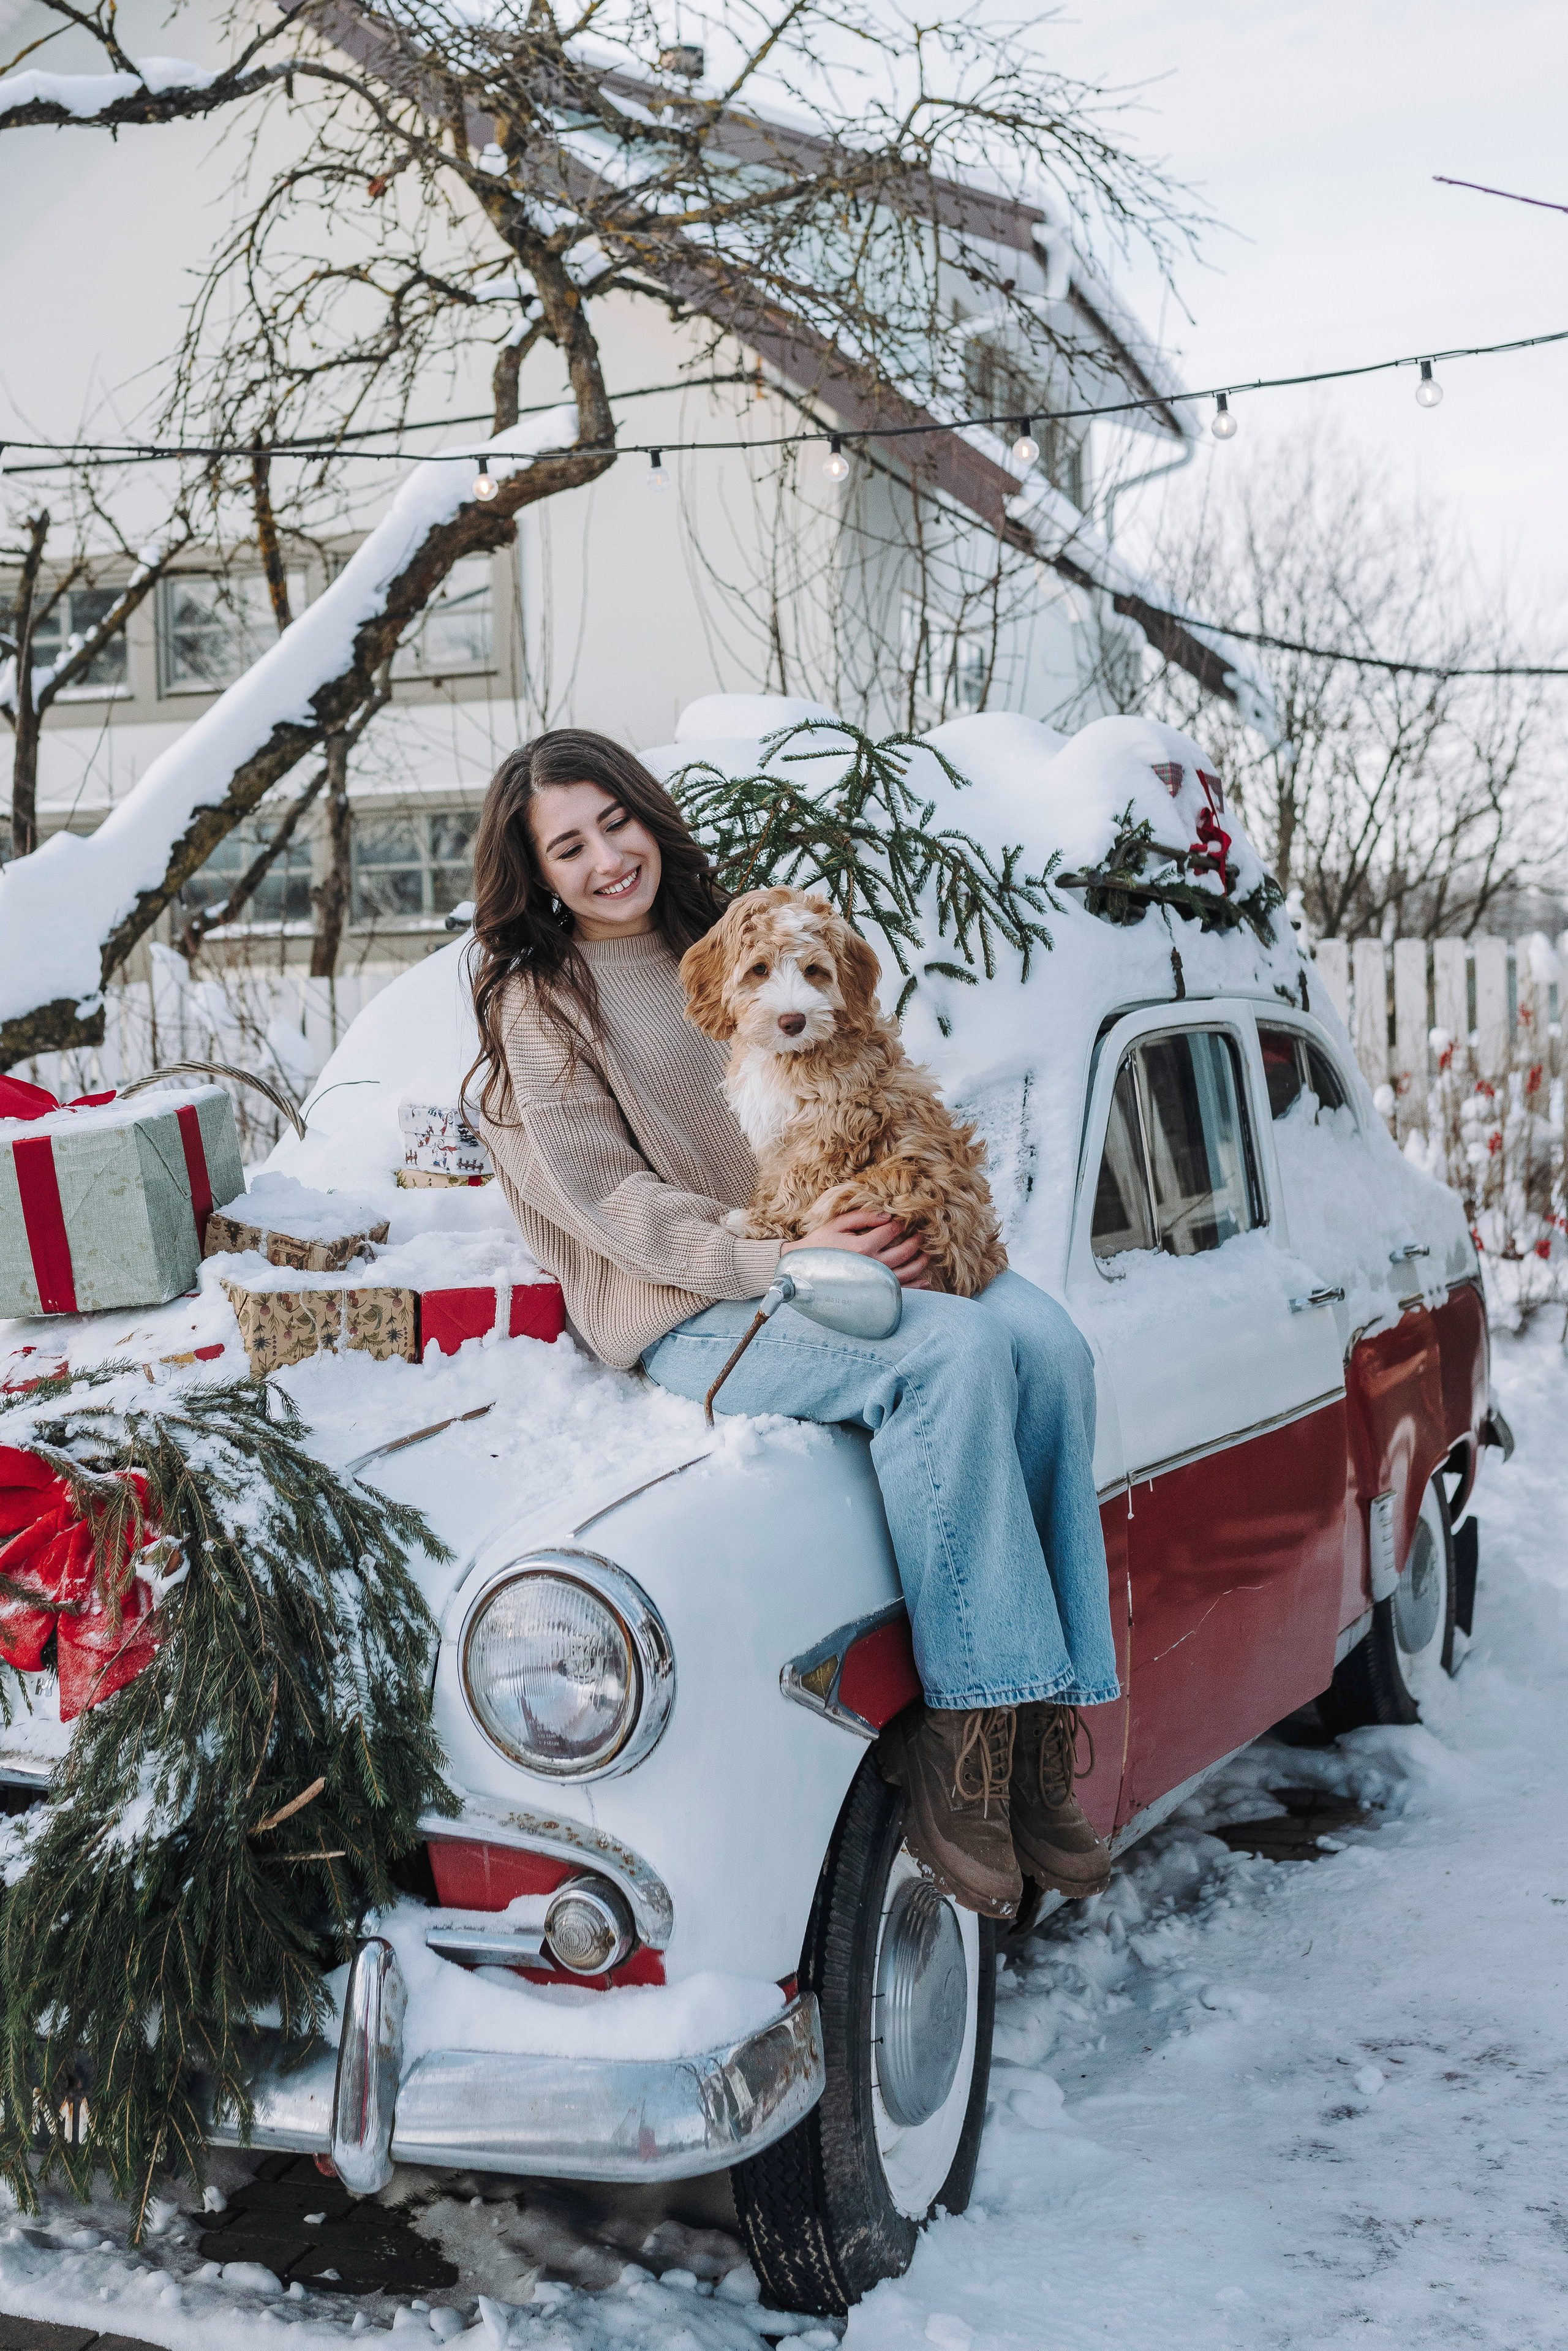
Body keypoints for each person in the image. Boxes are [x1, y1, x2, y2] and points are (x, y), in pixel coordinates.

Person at [464, 729, 1120, 1921]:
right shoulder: (542, 1001)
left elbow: (845, 1073)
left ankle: (1037, 1730)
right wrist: (780, 1253)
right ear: (537, 873)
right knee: (955, 1354)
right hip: (697, 1297)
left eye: (616, 822)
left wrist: (882, 1204)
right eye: (568, 846)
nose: (606, 858)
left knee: (1049, 1347)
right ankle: (967, 1745)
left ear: (648, 813)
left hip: (828, 1241)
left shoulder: (726, 938)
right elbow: (607, 1197)